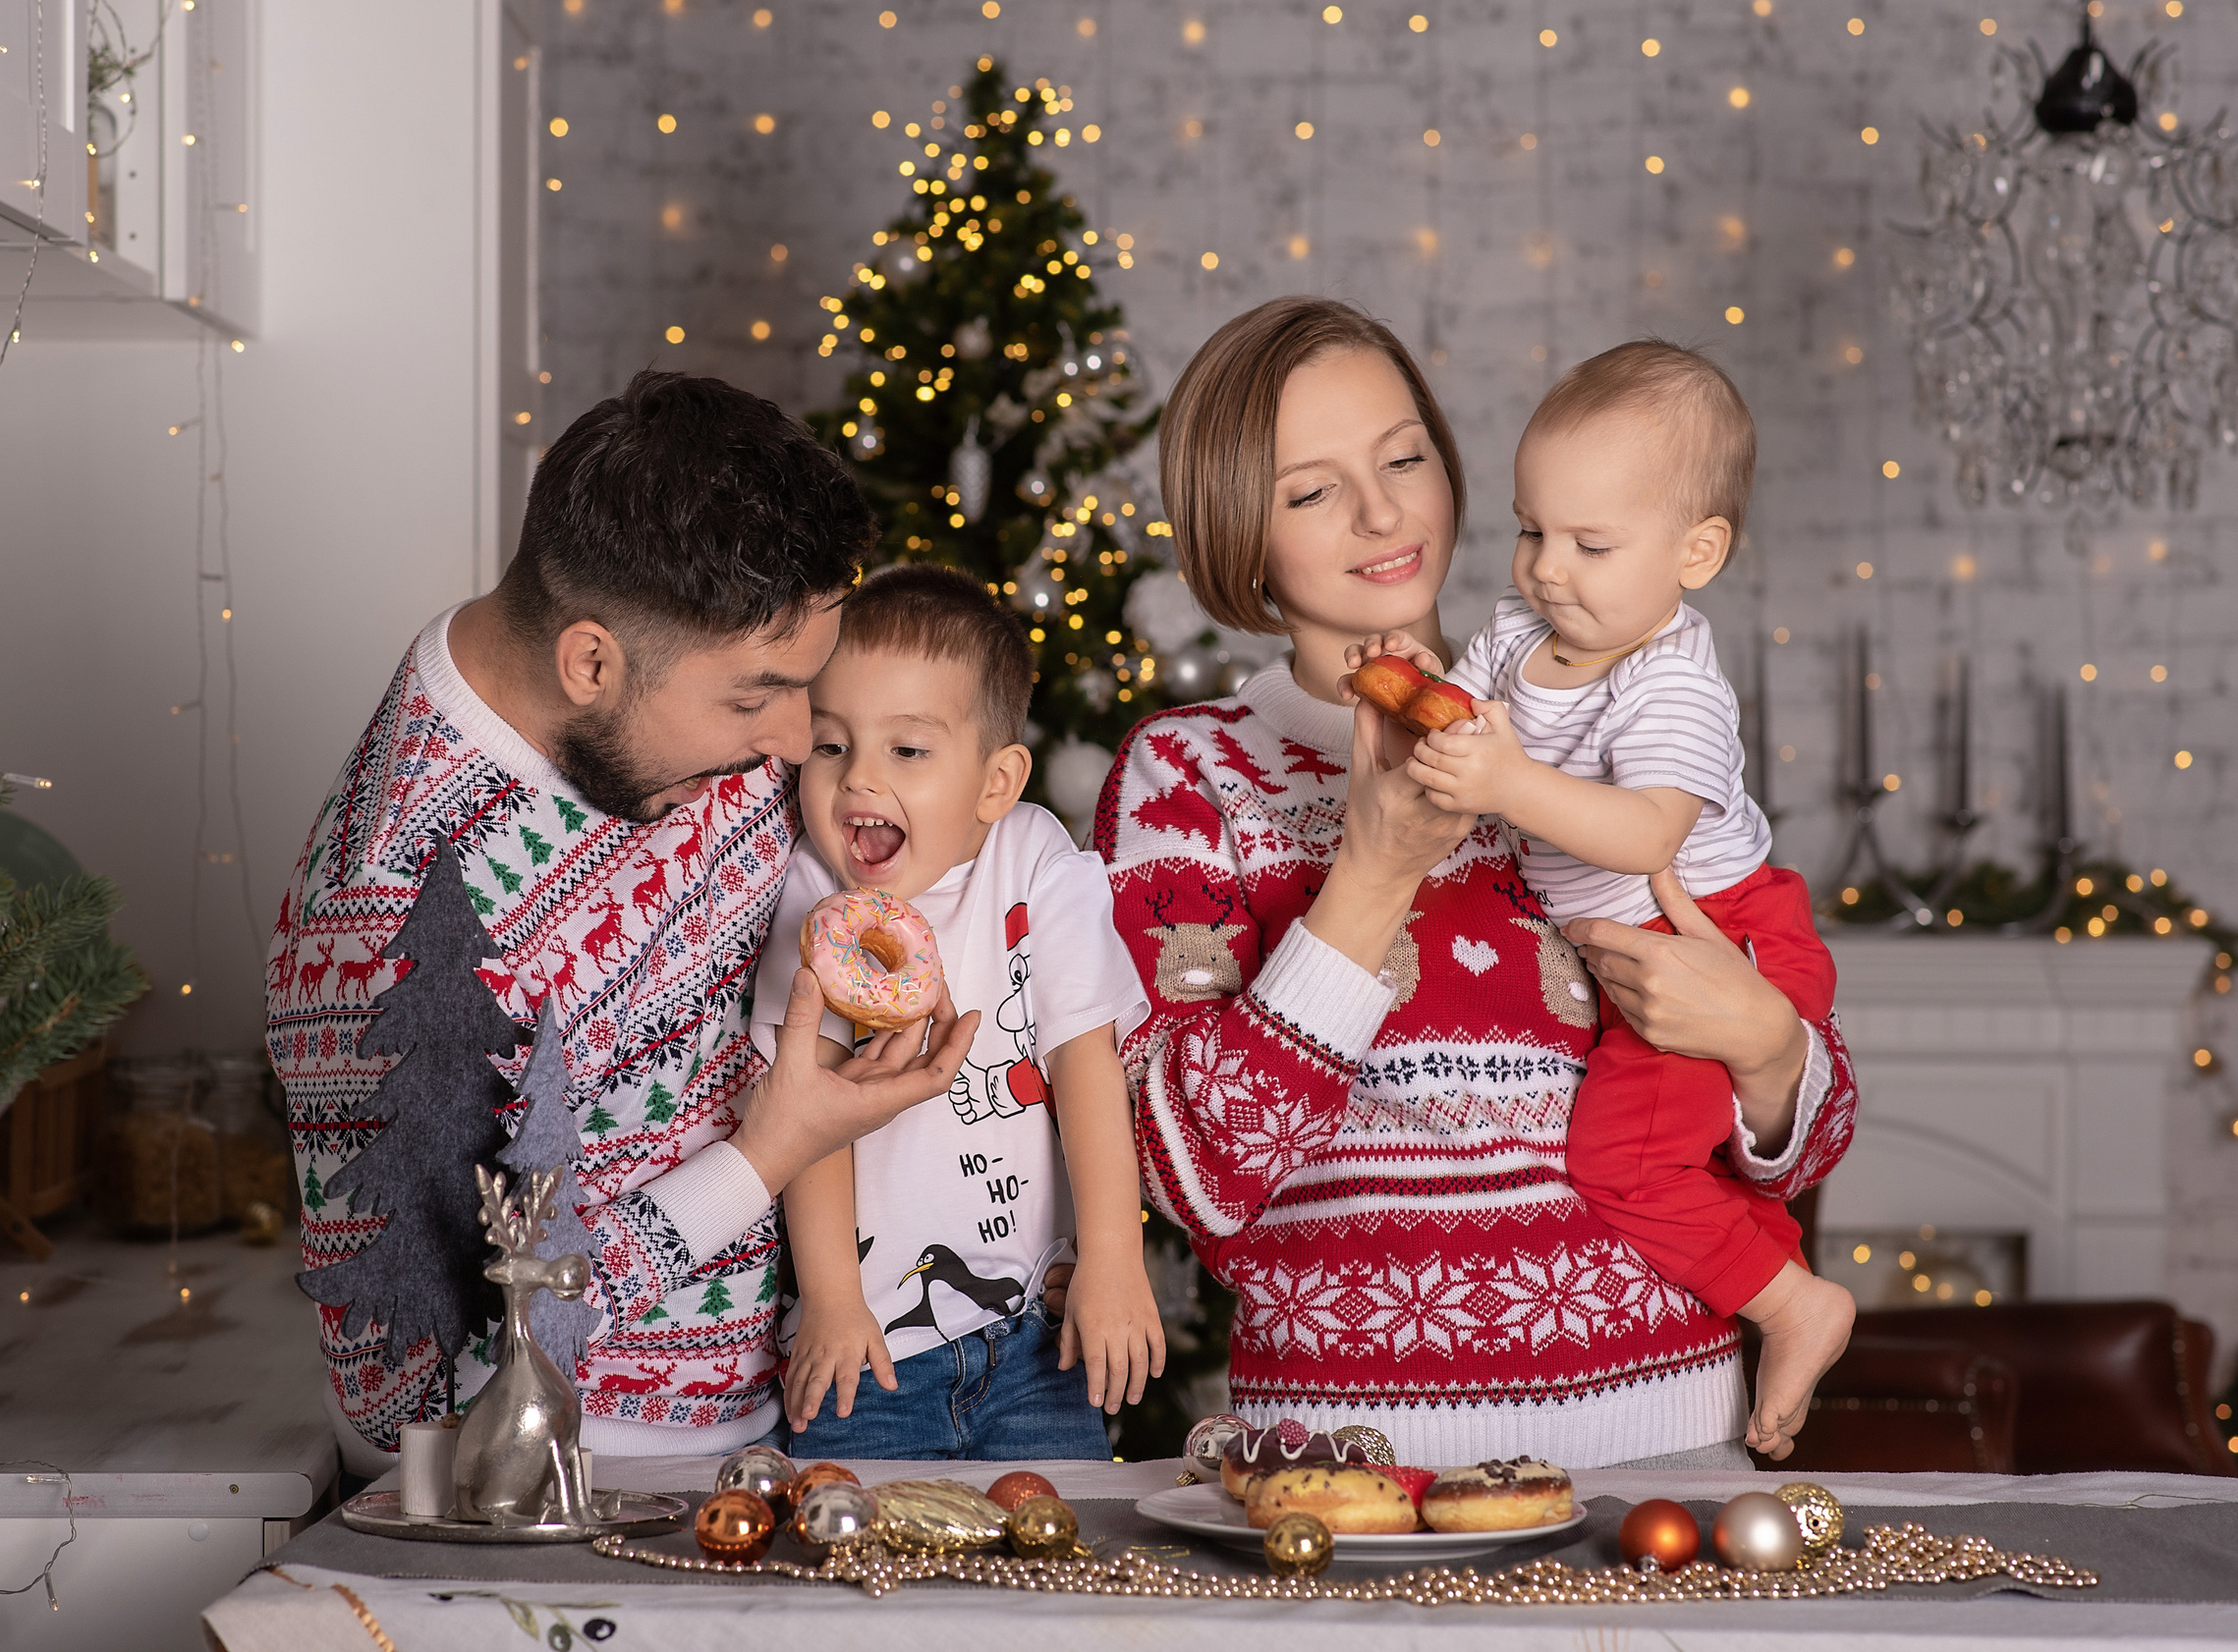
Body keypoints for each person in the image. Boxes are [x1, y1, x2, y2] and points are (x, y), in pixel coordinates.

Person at [1101, 297, 1858, 1470]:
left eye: (1403, 458)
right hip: (1355, 1460)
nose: (1381, 513)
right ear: (1235, 532)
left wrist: (1766, 1046)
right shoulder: (1190, 774)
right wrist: (1372, 871)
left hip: (1667, 1442)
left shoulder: (1585, 723)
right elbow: (1189, 1170)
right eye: (1311, 490)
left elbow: (1803, 1144)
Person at [268, 371, 979, 1473]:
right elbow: (411, 1386)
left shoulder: (694, 706)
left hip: (792, 1425)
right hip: (560, 1479)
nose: (799, 742)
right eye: (756, 696)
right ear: (590, 661)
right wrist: (767, 1152)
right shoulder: (382, 917)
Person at [1356, 340, 1855, 1458]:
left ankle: (1789, 1300)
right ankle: (1773, 1277)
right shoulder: (1517, 632)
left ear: (1696, 552)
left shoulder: (1670, 679)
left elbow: (1646, 833)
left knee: (1625, 1161)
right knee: (1663, 1148)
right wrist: (1411, 684)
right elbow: (1457, 719)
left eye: (1590, 544)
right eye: (1531, 529)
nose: (1547, 568)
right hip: (1629, 947)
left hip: (1720, 937)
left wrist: (1506, 783)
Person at [748, 566, 1160, 1459]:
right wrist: (832, 1299)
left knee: (1055, 1539)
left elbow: (1085, 1062)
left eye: (907, 750)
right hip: (867, 1353)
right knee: (858, 1540)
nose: (859, 776)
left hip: (1035, 1343)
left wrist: (1113, 1258)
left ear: (995, 781)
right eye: (831, 744)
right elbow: (807, 1110)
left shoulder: (1033, 858)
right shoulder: (813, 889)